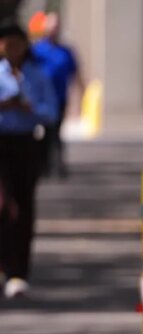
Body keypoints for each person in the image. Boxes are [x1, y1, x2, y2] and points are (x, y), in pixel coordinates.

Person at [0, 23, 57, 300]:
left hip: (25, 143)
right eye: (6, 44)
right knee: (2, 203)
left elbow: (50, 112)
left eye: (16, 44)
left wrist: (29, 108)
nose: (11, 50)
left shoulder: (36, 75)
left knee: (22, 206)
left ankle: (18, 271)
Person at [30, 12, 82, 179]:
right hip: (42, 99)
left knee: (56, 132)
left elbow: (76, 74)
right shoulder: (37, 50)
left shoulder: (66, 51)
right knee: (45, 132)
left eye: (56, 27)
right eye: (51, 27)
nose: (54, 30)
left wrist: (80, 97)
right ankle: (43, 165)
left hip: (60, 98)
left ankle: (58, 166)